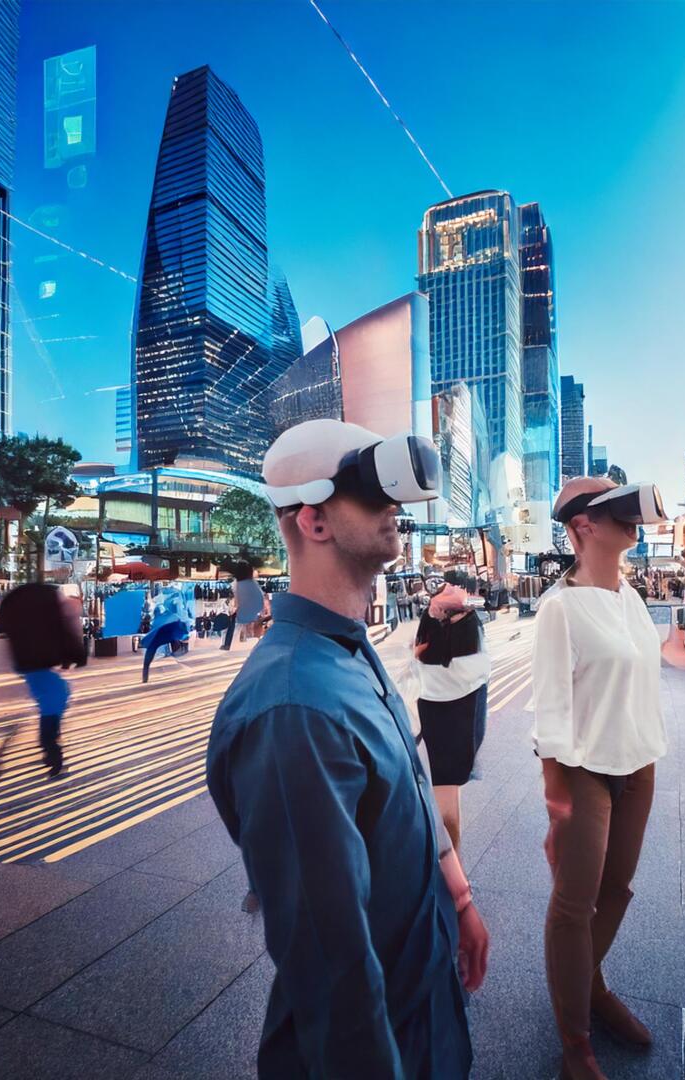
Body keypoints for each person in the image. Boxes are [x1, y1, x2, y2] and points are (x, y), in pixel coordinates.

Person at [207, 419, 487, 1078]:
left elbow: (409, 791)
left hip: (425, 1004)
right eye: (371, 491)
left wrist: (460, 901)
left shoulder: (347, 651)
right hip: (376, 1042)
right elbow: (332, 970)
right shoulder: (293, 708)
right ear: (315, 522)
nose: (394, 507)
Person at [533, 477, 670, 1080]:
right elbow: (551, 706)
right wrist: (556, 799)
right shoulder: (559, 607)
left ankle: (589, 985)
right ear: (583, 526)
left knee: (618, 888)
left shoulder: (633, 599)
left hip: (639, 760)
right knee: (574, 902)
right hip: (584, 767)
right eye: (614, 509)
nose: (631, 519)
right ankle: (575, 1043)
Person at [415, 582, 491, 854]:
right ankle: (452, 868)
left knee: (443, 799)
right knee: (448, 805)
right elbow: (479, 668)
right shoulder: (472, 668)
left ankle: (449, 867)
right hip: (460, 725)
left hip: (432, 720)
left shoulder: (425, 666)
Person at [0, 582, 87, 778]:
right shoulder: (38, 671)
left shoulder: (34, 669)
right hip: (52, 693)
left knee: (47, 737)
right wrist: (74, 656)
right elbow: (65, 634)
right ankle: (53, 758)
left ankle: (54, 761)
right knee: (49, 734)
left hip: (50, 695)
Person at [140, 586, 192, 683]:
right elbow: (179, 626)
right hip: (165, 636)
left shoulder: (161, 619)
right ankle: (145, 675)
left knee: (148, 659)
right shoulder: (169, 618)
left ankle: (145, 676)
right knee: (149, 657)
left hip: (158, 638)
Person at [220, 560, 264, 650]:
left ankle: (227, 645)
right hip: (252, 609)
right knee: (235, 627)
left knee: (232, 627)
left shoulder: (238, 584)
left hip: (245, 611)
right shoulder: (252, 584)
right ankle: (229, 644)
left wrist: (236, 608)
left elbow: (238, 599)